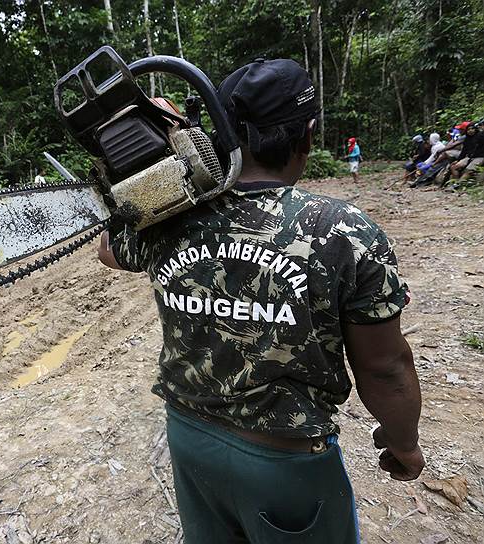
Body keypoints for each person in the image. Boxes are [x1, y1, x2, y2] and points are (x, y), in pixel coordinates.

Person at [98, 58, 423, 543]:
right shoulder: (343, 231)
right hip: (285, 463)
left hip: (190, 443)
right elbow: (384, 367)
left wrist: (156, 185)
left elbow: (108, 248)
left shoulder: (169, 219)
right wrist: (404, 443)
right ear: (307, 134)